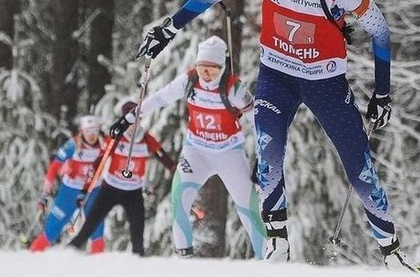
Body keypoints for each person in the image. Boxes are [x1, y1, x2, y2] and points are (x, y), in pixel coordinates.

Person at [135, 0, 420, 273]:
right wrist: (169, 28)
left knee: (359, 165)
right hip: (277, 77)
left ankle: (392, 253)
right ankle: (277, 240)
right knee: (268, 151)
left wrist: (382, 93)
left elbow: (380, 31)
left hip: (325, 83)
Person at [110, 35, 267, 259]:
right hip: (196, 152)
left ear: (222, 68)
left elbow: (255, 121)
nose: (206, 75)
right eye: (202, 68)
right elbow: (160, 98)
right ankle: (184, 258)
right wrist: (128, 118)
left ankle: (269, 263)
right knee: (179, 198)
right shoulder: (189, 81)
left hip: (229, 154)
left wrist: (262, 158)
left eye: (213, 70)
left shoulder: (234, 88)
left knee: (247, 208)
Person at [68, 102, 175, 256]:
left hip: (133, 192)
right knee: (91, 223)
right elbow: (99, 162)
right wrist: (85, 190)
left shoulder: (146, 139)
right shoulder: (117, 137)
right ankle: (71, 250)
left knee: (137, 231)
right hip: (111, 189)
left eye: (137, 121)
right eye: (130, 121)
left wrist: (173, 168)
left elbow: (162, 155)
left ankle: (138, 261)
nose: (133, 126)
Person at [30, 115, 107, 253]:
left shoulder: (104, 143)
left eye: (95, 131)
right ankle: (33, 256)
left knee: (97, 227)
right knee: (53, 227)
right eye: (88, 131)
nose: (91, 135)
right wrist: (48, 184)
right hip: (70, 190)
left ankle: (98, 264)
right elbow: (54, 166)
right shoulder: (72, 144)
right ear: (81, 131)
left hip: (93, 190)